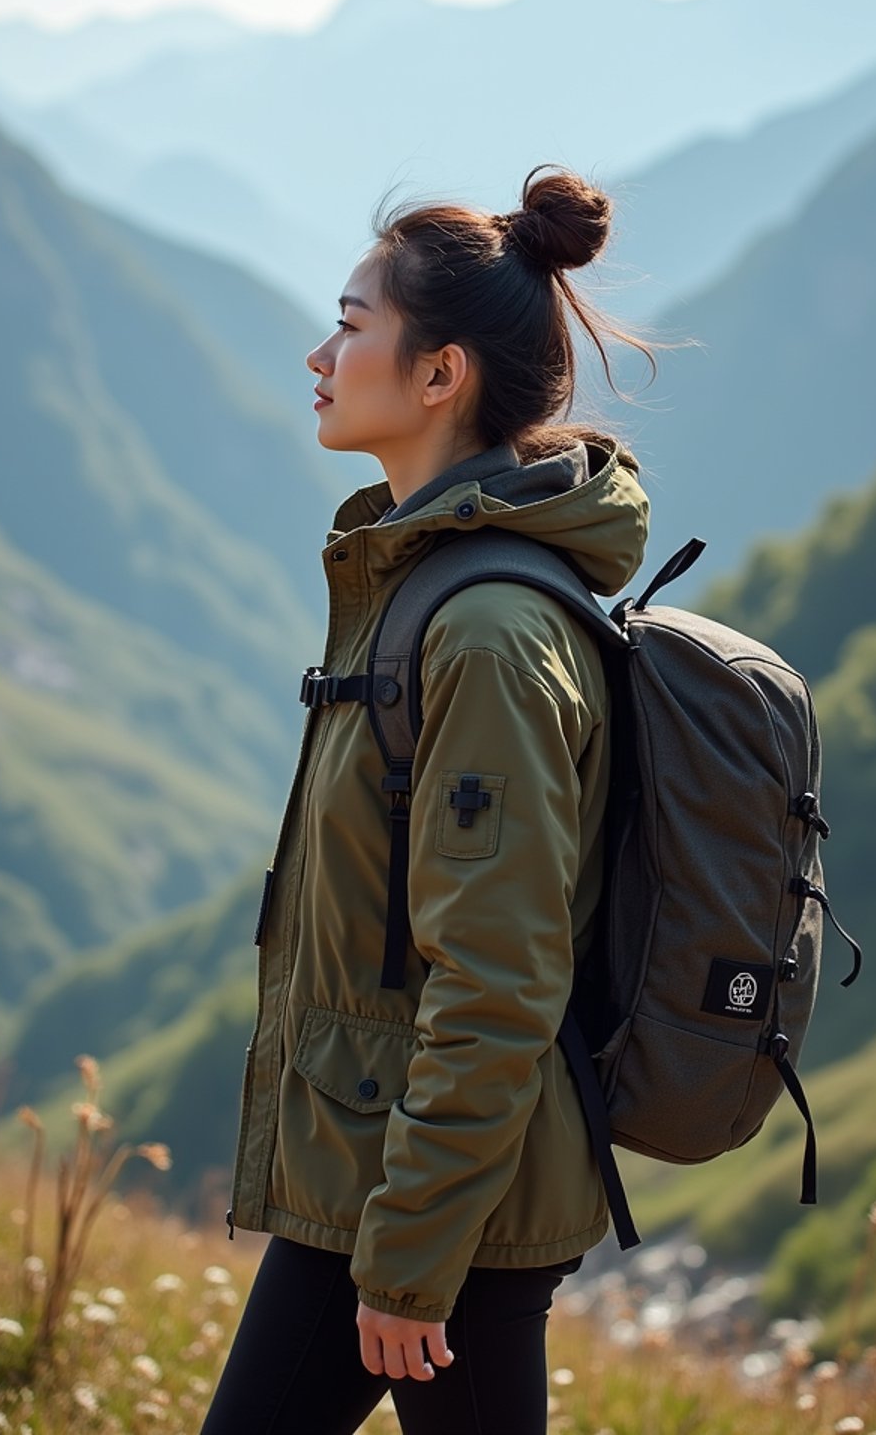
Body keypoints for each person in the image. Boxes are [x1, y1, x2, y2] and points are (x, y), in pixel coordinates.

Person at [202, 166, 659, 1435]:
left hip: (422, 1194)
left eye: (351, 325)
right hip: (429, 1177)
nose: (319, 351)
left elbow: (500, 975)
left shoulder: (487, 635)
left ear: (440, 373)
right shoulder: (438, 593)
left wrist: (406, 1254)